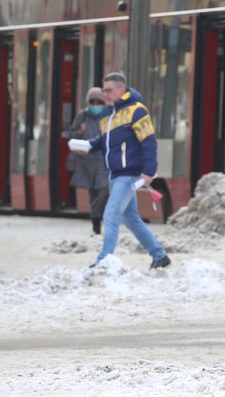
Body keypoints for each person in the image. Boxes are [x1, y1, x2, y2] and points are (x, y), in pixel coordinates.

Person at [70, 73, 170, 269]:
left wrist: (149, 170)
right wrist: (88, 146)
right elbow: (104, 141)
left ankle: (103, 261)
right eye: (104, 90)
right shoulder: (107, 114)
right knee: (131, 219)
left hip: (129, 174)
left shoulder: (137, 110)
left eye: (109, 90)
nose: (105, 94)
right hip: (115, 174)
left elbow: (149, 141)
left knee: (111, 214)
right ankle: (159, 256)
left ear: (122, 89)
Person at [65, 87, 110, 235]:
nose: (96, 105)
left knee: (104, 190)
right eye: (93, 101)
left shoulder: (109, 115)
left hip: (104, 161)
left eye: (99, 102)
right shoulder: (82, 116)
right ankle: (96, 225)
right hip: (87, 162)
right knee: (93, 194)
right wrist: (79, 132)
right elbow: (70, 134)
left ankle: (96, 215)